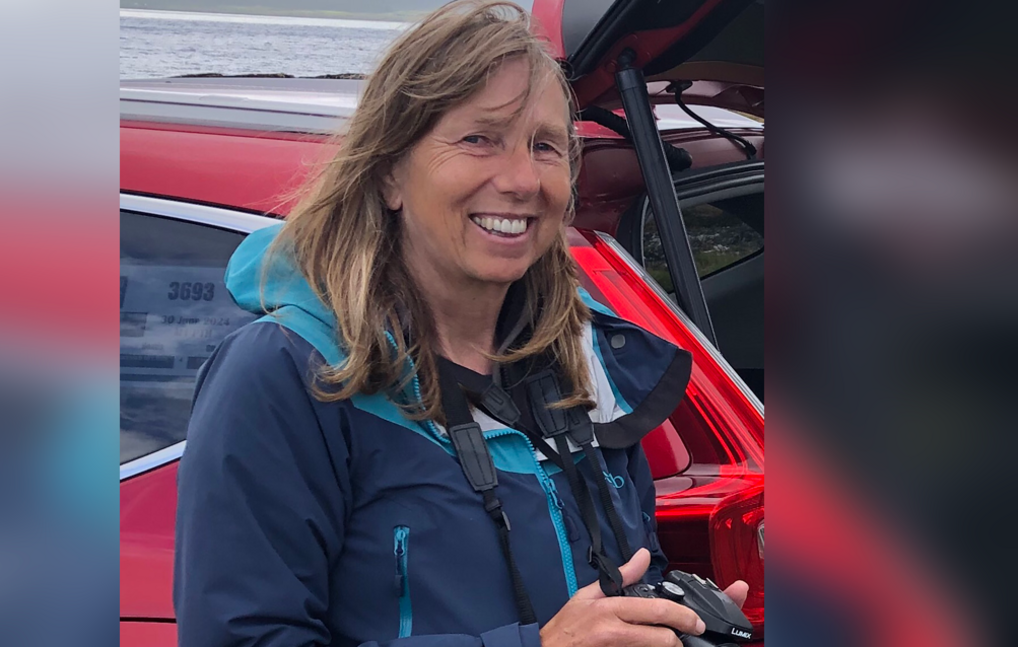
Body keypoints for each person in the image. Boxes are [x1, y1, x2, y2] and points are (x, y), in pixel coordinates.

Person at [174, 2, 747, 646]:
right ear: (389, 171)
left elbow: (618, 592)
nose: (522, 179)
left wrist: (668, 624)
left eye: (546, 146)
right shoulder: (288, 375)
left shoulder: (584, 365)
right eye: (479, 138)